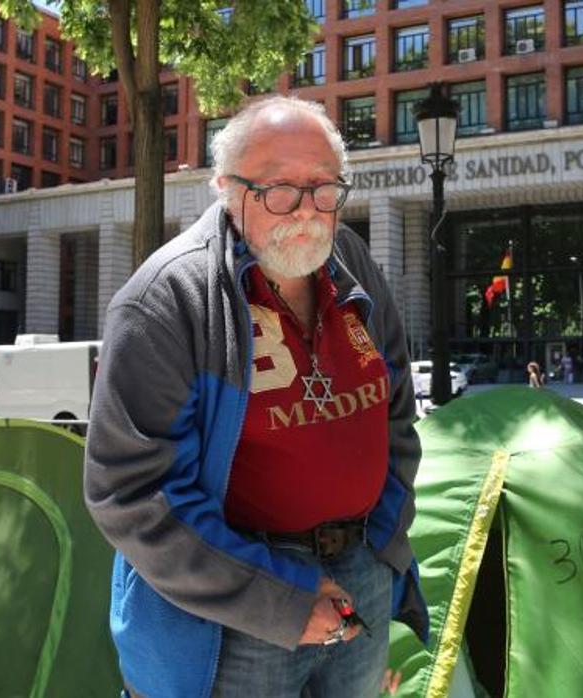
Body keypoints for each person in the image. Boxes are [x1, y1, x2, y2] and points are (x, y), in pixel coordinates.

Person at [83, 96, 427, 698]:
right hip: (236, 606)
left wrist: (385, 543)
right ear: (225, 187)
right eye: (279, 189)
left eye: (324, 187)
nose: (307, 211)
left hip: (362, 570)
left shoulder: (352, 267)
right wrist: (282, 601)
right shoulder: (165, 301)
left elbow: (396, 410)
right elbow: (130, 494)